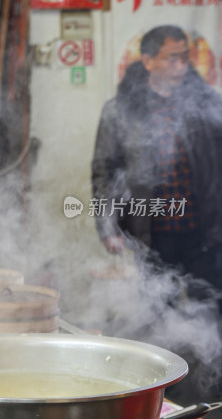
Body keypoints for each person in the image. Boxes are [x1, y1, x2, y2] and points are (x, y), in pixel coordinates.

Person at [91, 24, 222, 297]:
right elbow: (104, 173)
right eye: (171, 58)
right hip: (151, 233)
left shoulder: (208, 105)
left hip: (204, 231)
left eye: (185, 57)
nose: (180, 67)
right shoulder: (120, 111)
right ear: (148, 61)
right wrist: (108, 228)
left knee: (212, 309)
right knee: (160, 314)